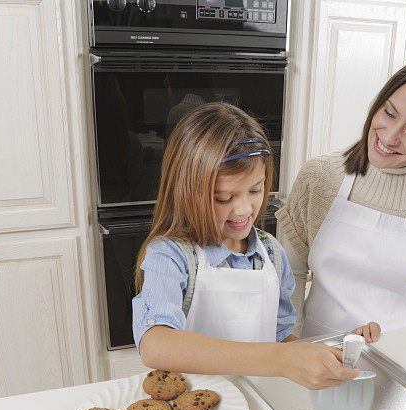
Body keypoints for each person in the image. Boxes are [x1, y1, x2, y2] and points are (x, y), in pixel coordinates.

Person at [132, 102, 376, 390]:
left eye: (255, 189)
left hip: (264, 401)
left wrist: (334, 354)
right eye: (224, 198)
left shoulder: (272, 253)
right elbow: (155, 344)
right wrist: (280, 360)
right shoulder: (172, 255)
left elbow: (280, 338)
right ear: (187, 192)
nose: (243, 209)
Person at [277, 52, 406, 338]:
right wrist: (292, 348)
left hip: (401, 367)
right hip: (312, 354)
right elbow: (291, 278)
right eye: (389, 113)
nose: (388, 137)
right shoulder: (320, 178)